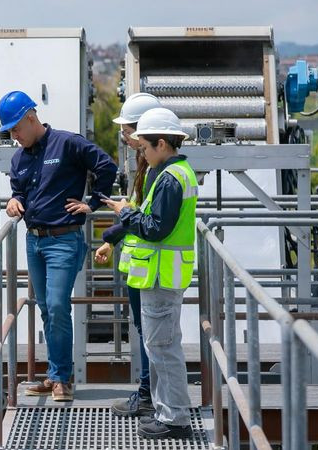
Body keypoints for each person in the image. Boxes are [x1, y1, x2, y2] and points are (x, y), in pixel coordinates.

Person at [1, 90, 117, 402]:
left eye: (16, 129)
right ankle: (55, 374)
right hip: (34, 241)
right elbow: (20, 192)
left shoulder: (67, 143)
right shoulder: (19, 158)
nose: (14, 136)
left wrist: (92, 203)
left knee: (56, 305)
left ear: (30, 116)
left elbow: (106, 166)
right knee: (47, 310)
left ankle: (63, 378)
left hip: (64, 240)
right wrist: (14, 201)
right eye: (9, 132)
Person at [104, 107, 197, 439]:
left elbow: (155, 228)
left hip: (160, 277)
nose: (141, 152)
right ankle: (165, 413)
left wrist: (126, 213)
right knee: (161, 347)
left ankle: (176, 420)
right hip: (162, 276)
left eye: (144, 147)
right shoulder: (179, 173)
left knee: (163, 349)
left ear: (161, 143)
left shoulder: (171, 179)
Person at [94, 93, 163, 417]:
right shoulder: (145, 166)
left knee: (151, 336)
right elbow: (136, 211)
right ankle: (148, 394)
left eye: (127, 129)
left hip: (152, 268)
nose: (123, 134)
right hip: (142, 266)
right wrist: (111, 239)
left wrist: (121, 215)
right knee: (146, 333)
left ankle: (150, 397)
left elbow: (142, 217)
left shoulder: (154, 171)